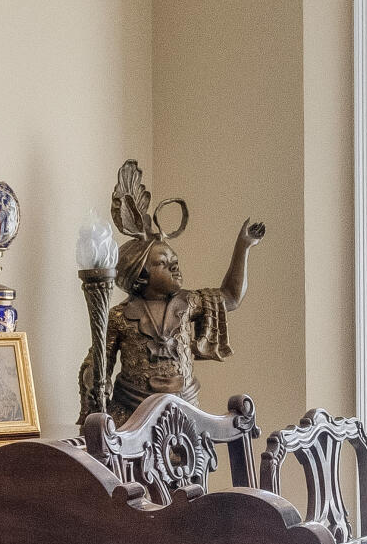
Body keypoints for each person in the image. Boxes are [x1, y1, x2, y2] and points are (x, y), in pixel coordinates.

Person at [102, 168, 266, 419]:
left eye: (174, 260)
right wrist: (93, 413)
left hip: (186, 410)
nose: (174, 267)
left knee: (198, 458)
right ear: (140, 275)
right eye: (162, 263)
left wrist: (243, 247)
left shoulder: (189, 302)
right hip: (131, 413)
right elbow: (100, 368)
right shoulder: (119, 316)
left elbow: (231, 297)